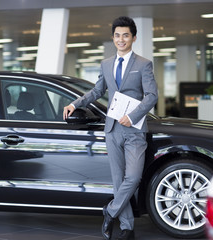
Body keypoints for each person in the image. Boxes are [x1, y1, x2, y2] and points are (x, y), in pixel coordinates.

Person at [63, 16, 158, 240]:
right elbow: (96, 91)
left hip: (134, 129)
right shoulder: (106, 64)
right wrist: (75, 103)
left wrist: (132, 115)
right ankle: (127, 228)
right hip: (112, 129)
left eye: (126, 35)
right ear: (113, 38)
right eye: (117, 35)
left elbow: (152, 95)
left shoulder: (144, 64)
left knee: (133, 178)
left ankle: (110, 211)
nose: (121, 39)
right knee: (118, 180)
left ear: (133, 38)